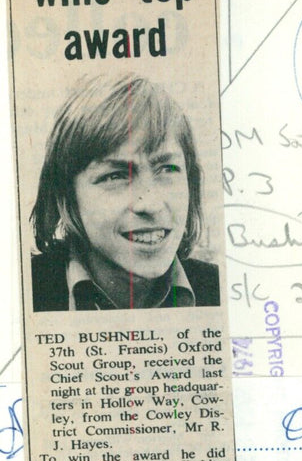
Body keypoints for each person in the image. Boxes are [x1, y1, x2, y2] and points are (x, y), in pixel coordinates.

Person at [30, 73, 220, 310]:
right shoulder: (27, 293)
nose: (150, 204)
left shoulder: (219, 289)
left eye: (167, 169)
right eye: (115, 176)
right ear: (66, 196)